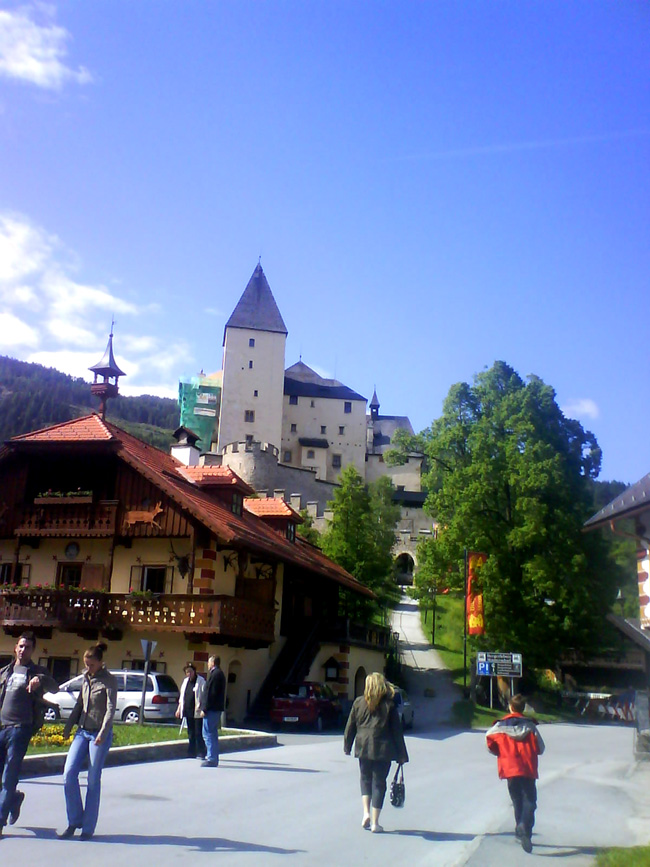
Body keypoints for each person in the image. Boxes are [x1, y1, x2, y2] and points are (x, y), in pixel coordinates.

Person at [0, 631, 58, 839]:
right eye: (21, 646)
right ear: (15, 647)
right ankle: (14, 798)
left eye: (28, 647)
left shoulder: (35, 671)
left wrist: (39, 680)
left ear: (33, 650)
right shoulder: (5, 671)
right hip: (2, 728)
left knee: (9, 776)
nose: (23, 650)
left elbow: (55, 686)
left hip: (20, 729)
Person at [59, 643, 118, 840]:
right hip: (82, 732)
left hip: (99, 735)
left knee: (93, 779)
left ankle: (88, 827)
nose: (88, 668)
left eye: (91, 665)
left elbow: (111, 708)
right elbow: (80, 704)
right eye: (86, 664)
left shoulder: (109, 680)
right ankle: (74, 820)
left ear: (100, 663)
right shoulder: (86, 678)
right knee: (68, 774)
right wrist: (68, 727)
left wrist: (103, 731)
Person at [343, 672, 409, 833]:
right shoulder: (389, 706)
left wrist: (347, 745)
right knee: (379, 783)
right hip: (383, 749)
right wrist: (402, 755)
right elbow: (396, 732)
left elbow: (350, 726)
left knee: (365, 779)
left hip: (363, 747)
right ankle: (375, 823)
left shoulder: (358, 702)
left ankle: (365, 813)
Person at [485, 693, 545, 854]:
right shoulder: (531, 727)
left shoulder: (499, 726)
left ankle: (520, 829)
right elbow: (541, 748)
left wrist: (499, 751)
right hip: (527, 767)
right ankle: (525, 828)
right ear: (523, 708)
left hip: (509, 768)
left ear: (510, 707)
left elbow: (488, 738)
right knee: (530, 801)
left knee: (517, 799)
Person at [176, 663, 206, 759]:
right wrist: (179, 708)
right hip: (188, 710)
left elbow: (204, 695)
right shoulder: (185, 682)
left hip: (197, 711)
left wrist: (202, 708)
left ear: (194, 671)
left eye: (190, 671)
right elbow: (182, 696)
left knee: (198, 732)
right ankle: (191, 751)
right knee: (191, 732)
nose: (189, 674)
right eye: (187, 672)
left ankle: (202, 751)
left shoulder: (201, 681)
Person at [201, 655, 225, 767]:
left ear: (213, 663)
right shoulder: (218, 674)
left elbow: (211, 694)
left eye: (209, 662)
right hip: (215, 708)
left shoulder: (215, 675)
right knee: (212, 733)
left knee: (208, 733)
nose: (207, 664)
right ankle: (213, 757)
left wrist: (205, 708)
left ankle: (211, 758)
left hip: (212, 709)